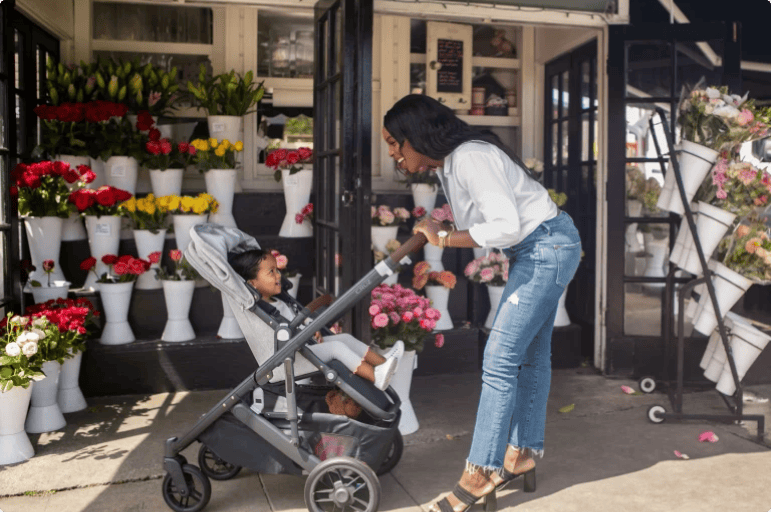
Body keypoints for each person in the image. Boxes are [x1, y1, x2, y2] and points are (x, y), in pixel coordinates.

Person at [383, 94, 581, 512]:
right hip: (543, 246)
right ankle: (521, 452)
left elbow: (505, 227)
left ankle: (480, 473)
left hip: (545, 249)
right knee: (531, 355)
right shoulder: (452, 163)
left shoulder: (471, 157)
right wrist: (442, 224)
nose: (392, 153)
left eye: (394, 142)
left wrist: (442, 238)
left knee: (499, 358)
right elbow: (489, 215)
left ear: (415, 135)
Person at [229, 249, 404, 391]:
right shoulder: (262, 314)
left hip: (303, 348)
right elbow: (280, 338)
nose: (278, 275)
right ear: (252, 284)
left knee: (344, 338)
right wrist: (306, 333)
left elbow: (297, 321)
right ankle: (376, 377)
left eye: (277, 270)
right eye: (271, 272)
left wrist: (312, 328)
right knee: (336, 348)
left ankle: (383, 363)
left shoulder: (279, 302)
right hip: (289, 361)